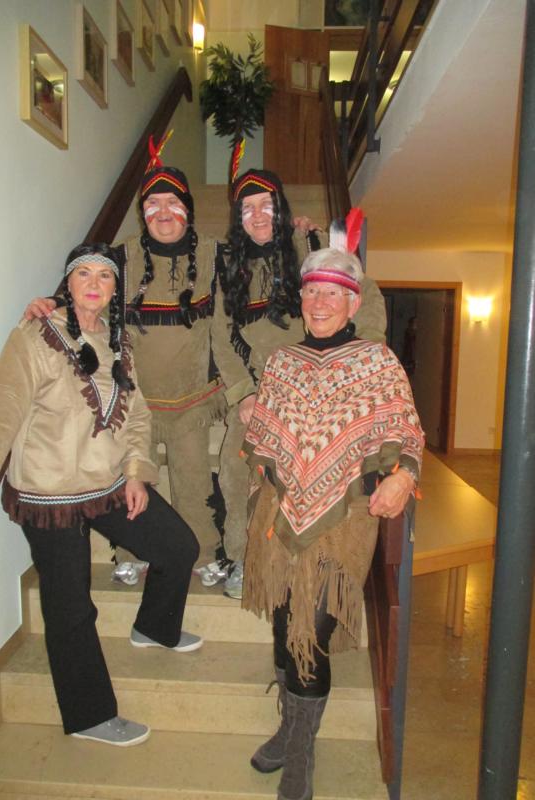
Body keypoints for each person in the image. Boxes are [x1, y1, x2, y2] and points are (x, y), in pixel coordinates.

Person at [0, 243, 203, 746]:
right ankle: (88, 717)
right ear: (68, 283)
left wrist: (135, 471)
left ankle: (155, 627)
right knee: (71, 606)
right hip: (49, 493)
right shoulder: (36, 335)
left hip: (107, 482)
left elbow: (137, 414)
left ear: (115, 289)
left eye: (104, 277)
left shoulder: (119, 340)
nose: (93, 284)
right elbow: (1, 405)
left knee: (178, 547)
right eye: (83, 274)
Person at [240, 247, 424, 800]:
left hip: (345, 519)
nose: (320, 303)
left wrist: (403, 476)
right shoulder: (283, 361)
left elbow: (407, 431)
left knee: (311, 633)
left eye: (333, 294)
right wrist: (253, 416)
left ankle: (301, 753)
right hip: (279, 516)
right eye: (312, 292)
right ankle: (289, 730)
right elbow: (265, 435)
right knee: (282, 627)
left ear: (353, 303)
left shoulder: (377, 361)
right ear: (301, 299)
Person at [24, 164, 254, 579]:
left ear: (188, 208)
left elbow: (231, 317)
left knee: (194, 485)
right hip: (135, 404)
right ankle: (131, 553)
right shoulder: (119, 258)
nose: (163, 212)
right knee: (131, 484)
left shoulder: (215, 255)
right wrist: (52, 304)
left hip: (193, 403)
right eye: (152, 204)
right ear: (141, 212)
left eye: (172, 202)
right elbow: (87, 295)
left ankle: (203, 554)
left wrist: (242, 390)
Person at [208, 170, 387, 599]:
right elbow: (220, 335)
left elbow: (364, 298)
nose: (257, 215)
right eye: (247, 208)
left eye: (266, 205)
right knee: (234, 469)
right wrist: (243, 393)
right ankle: (242, 556)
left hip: (319, 388)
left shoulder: (314, 244)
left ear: (282, 209)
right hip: (260, 390)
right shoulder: (228, 267)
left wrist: (357, 363)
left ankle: (308, 563)